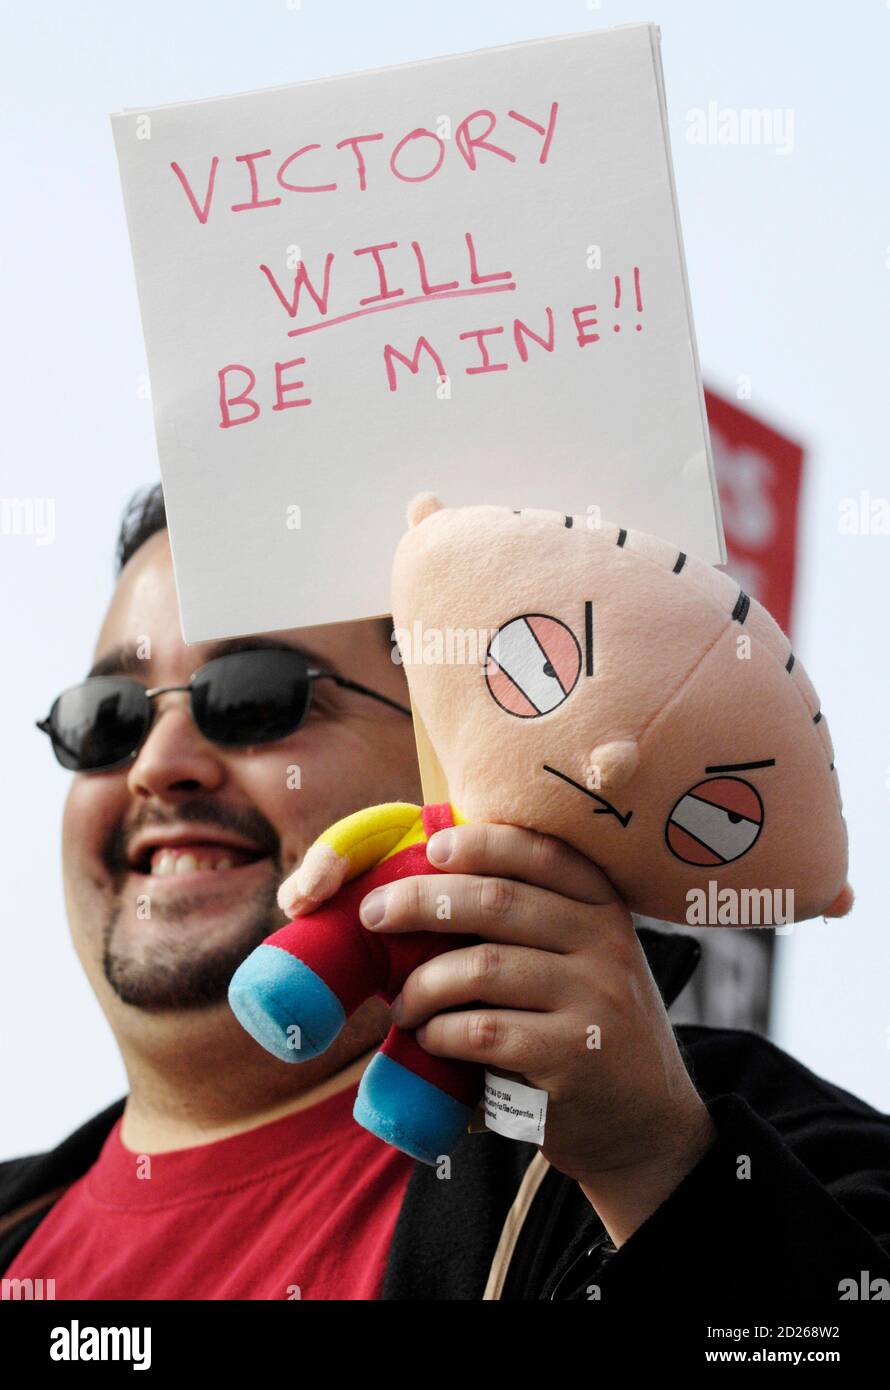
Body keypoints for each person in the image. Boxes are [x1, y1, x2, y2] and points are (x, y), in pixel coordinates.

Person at [1, 483, 889, 1302]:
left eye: (252, 697)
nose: (159, 767)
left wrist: (652, 1168)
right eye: (106, 717)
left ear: (449, 749)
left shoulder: (736, 1140)